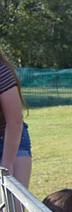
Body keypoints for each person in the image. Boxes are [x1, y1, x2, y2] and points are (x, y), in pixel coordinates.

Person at [0, 49, 32, 188]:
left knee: (14, 206)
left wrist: (7, 163)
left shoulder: (2, 73)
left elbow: (15, 121)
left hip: (11, 141)